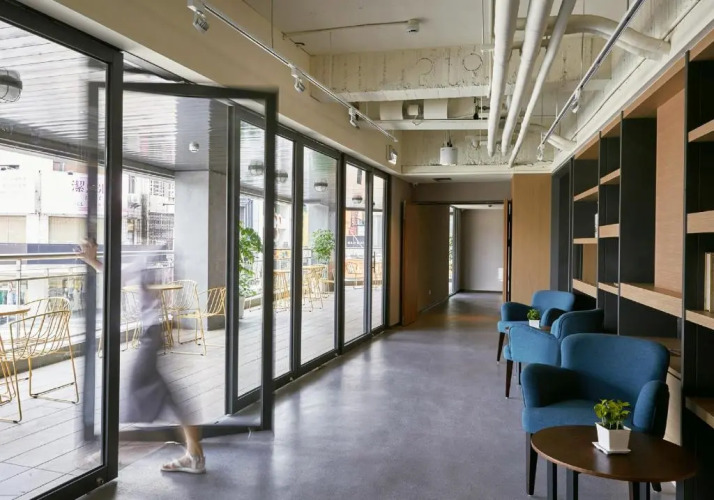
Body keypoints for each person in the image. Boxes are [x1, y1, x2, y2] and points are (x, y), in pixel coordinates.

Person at [78, 240, 206, 474]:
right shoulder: (155, 253)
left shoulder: (150, 254)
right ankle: (194, 454)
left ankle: (113, 452)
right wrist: (93, 260)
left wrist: (92, 260)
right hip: (156, 331)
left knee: (136, 396)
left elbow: (118, 276)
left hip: (152, 334)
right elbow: (122, 276)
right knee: (168, 396)